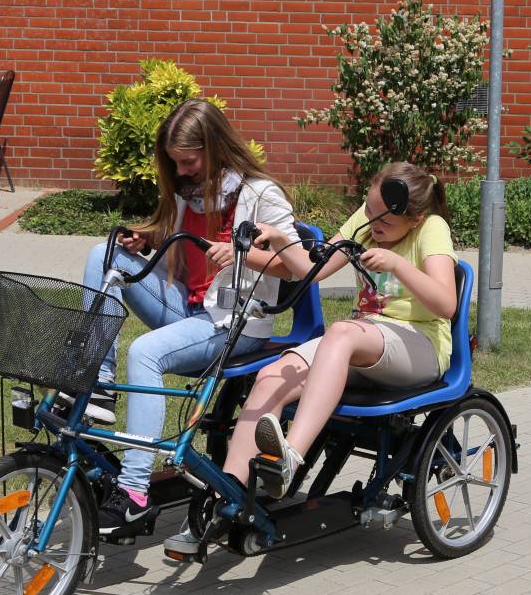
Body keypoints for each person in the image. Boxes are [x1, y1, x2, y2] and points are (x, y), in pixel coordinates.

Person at [163, 162, 456, 553]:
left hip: (418, 343)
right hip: (363, 341)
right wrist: (281, 239)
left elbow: (447, 304)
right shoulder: (366, 220)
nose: (372, 223)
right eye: (368, 212)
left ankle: (291, 456)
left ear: (414, 217)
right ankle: (225, 501)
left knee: (341, 331)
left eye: (383, 219)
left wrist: (399, 265)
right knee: (271, 375)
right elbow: (311, 273)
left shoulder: (431, 227)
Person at [79, 98, 310, 538]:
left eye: (188, 161)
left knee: (145, 352)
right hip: (188, 306)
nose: (182, 171)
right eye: (176, 163)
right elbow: (180, 242)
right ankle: (100, 385)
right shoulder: (190, 192)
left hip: (234, 323)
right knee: (103, 254)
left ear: (215, 146)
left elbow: (297, 265)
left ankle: (134, 494)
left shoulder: (261, 194)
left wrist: (247, 255)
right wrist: (147, 238)